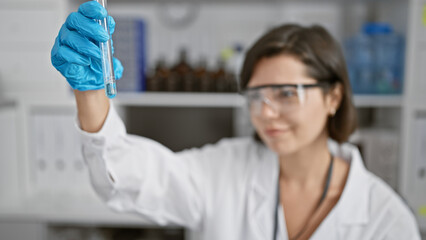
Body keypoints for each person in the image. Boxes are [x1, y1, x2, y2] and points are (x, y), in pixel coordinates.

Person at [51, 1, 421, 240]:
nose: (266, 112)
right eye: (255, 95)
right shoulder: (227, 170)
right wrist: (91, 93)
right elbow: (132, 176)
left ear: (333, 97)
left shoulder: (385, 220)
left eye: (286, 93)